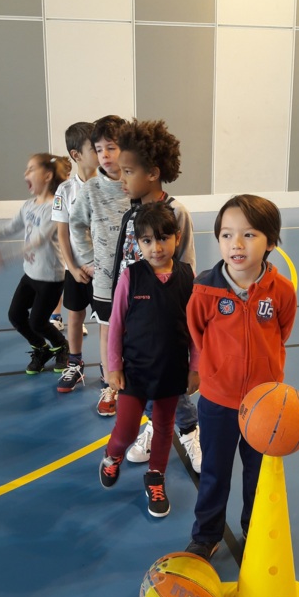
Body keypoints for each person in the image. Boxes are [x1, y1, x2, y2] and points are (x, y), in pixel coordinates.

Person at [185, 194, 297, 560]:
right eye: (227, 235)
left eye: (249, 235)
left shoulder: (281, 291)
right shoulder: (204, 289)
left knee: (258, 475)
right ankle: (206, 535)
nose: (236, 244)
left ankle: (255, 530)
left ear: (270, 241)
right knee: (214, 473)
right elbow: (198, 333)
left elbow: (282, 331)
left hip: (265, 404)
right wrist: (217, 371)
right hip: (218, 401)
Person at [111, 118, 202, 472]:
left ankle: (189, 430)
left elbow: (186, 270)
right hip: (138, 317)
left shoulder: (176, 212)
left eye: (128, 171)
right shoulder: (131, 213)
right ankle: (154, 426)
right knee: (144, 384)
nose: (121, 179)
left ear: (152, 173)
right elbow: (123, 261)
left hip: (168, 317)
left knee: (173, 388)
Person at [99, 202, 199, 517]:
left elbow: (196, 330)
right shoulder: (131, 277)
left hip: (171, 371)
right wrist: (114, 367)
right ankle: (112, 455)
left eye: (163, 238)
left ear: (177, 237)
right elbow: (116, 324)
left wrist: (195, 368)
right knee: (127, 430)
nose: (156, 248)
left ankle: (156, 476)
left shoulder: (187, 277)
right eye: (147, 240)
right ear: (138, 243)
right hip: (135, 373)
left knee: (164, 427)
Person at [0, 154, 71, 374]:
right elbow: (9, 228)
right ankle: (41, 349)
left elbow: (39, 240)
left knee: (38, 322)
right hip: (30, 273)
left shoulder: (55, 207)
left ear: (47, 176)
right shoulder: (28, 205)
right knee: (16, 316)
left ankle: (61, 346)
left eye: (31, 169)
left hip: (50, 277)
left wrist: (7, 256)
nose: (25, 173)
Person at [69, 115, 130, 408]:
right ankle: (109, 384)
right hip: (104, 279)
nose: (104, 155)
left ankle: (135, 381)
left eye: (111, 147)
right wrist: (87, 260)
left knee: (137, 329)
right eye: (99, 149)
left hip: (137, 278)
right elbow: (76, 224)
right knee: (107, 329)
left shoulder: (136, 185)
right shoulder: (91, 189)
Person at [52, 122, 99, 392]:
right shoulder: (65, 191)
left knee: (109, 321)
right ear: (76, 155)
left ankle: (110, 367)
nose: (101, 152)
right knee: (74, 316)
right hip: (77, 271)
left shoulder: (111, 186)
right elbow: (62, 234)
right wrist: (72, 267)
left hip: (104, 271)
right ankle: (75, 363)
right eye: (94, 148)